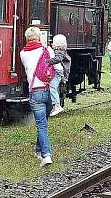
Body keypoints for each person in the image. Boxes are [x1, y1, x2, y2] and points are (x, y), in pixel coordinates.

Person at [20, 27, 55, 167]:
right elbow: (57, 68)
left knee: (41, 124)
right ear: (39, 37)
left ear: (27, 38)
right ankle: (41, 151)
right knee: (43, 123)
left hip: (35, 92)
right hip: (48, 91)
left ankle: (45, 154)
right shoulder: (47, 50)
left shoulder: (23, 53)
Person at [47, 34, 71, 117]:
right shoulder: (62, 51)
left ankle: (57, 105)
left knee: (52, 87)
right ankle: (56, 104)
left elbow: (58, 59)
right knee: (54, 87)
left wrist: (47, 61)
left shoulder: (59, 52)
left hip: (60, 72)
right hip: (61, 72)